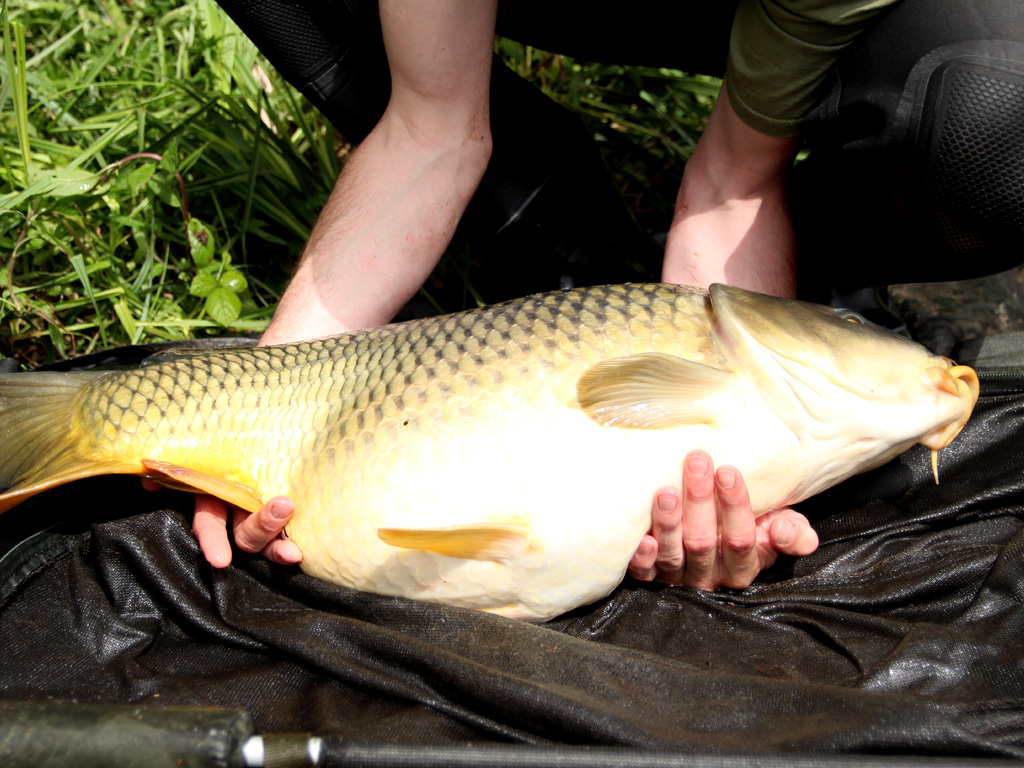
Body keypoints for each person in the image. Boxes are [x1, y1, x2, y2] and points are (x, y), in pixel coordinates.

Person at [181, 0, 1023, 591]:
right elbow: (430, 130)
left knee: (998, 123)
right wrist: (258, 416)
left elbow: (730, 181)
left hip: (790, 25)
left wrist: (738, 476)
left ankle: (824, 295)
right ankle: (562, 235)